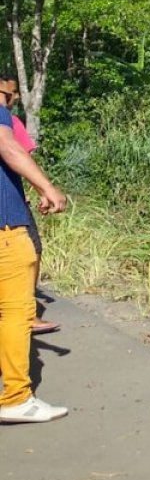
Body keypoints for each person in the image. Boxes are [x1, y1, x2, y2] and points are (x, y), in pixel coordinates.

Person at [0, 84, 68, 423]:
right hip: (5, 228)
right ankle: (16, 397)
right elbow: (7, 146)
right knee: (15, 311)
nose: (7, 99)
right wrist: (47, 187)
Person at [0, 78, 58, 334]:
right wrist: (45, 189)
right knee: (30, 252)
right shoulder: (7, 120)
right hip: (9, 210)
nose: (13, 100)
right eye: (11, 94)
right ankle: (27, 314)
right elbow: (18, 155)